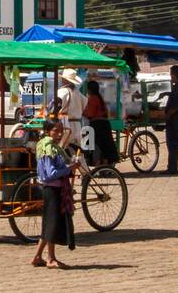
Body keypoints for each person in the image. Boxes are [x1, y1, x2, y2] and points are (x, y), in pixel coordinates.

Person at [32, 120, 81, 269]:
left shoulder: (53, 147)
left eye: (61, 130)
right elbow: (50, 174)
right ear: (47, 131)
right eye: (56, 130)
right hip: (51, 190)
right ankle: (51, 258)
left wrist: (71, 163)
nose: (60, 134)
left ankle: (37, 256)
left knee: (49, 224)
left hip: (55, 189)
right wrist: (70, 168)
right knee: (51, 225)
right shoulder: (48, 148)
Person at [83, 79, 119, 166]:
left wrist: (82, 112)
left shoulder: (92, 98)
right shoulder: (100, 97)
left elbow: (90, 114)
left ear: (89, 89)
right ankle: (106, 167)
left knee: (97, 146)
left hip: (97, 125)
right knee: (105, 146)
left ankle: (98, 166)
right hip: (105, 124)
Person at [56, 69, 85, 149]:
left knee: (60, 150)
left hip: (65, 124)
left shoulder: (62, 92)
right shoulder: (79, 94)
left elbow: (54, 107)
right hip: (78, 125)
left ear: (64, 80)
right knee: (78, 153)